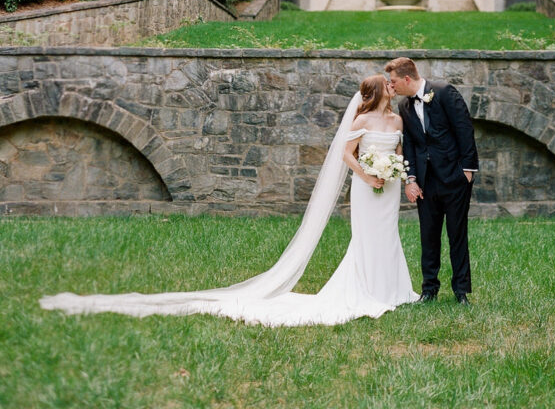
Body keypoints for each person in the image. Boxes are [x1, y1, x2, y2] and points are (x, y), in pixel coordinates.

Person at [40, 75, 418, 326]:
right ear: (374, 93)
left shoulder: (398, 121)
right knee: (366, 238)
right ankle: (366, 290)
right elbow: (347, 155)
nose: (390, 85)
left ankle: (395, 289)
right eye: (386, 83)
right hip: (366, 187)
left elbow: (400, 152)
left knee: (388, 235)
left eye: (391, 82)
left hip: (386, 190)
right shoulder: (363, 120)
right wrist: (367, 173)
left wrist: (396, 173)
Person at [385, 56, 479, 305]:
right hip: (426, 182)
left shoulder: (445, 92)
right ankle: (429, 290)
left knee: (457, 234)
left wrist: (467, 171)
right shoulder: (404, 107)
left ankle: (461, 292)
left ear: (407, 78)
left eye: (393, 81)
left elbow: (464, 129)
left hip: (454, 177)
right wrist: (411, 179)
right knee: (428, 235)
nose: (391, 86)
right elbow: (412, 144)